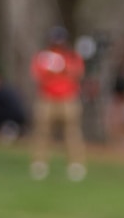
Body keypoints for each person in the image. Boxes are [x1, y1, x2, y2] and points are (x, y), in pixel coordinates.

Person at [29, 26, 87, 182]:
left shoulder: (72, 56)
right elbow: (39, 74)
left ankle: (75, 164)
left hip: (68, 98)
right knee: (42, 132)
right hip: (47, 98)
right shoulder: (43, 56)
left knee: (72, 133)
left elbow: (77, 73)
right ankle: (40, 164)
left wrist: (62, 70)